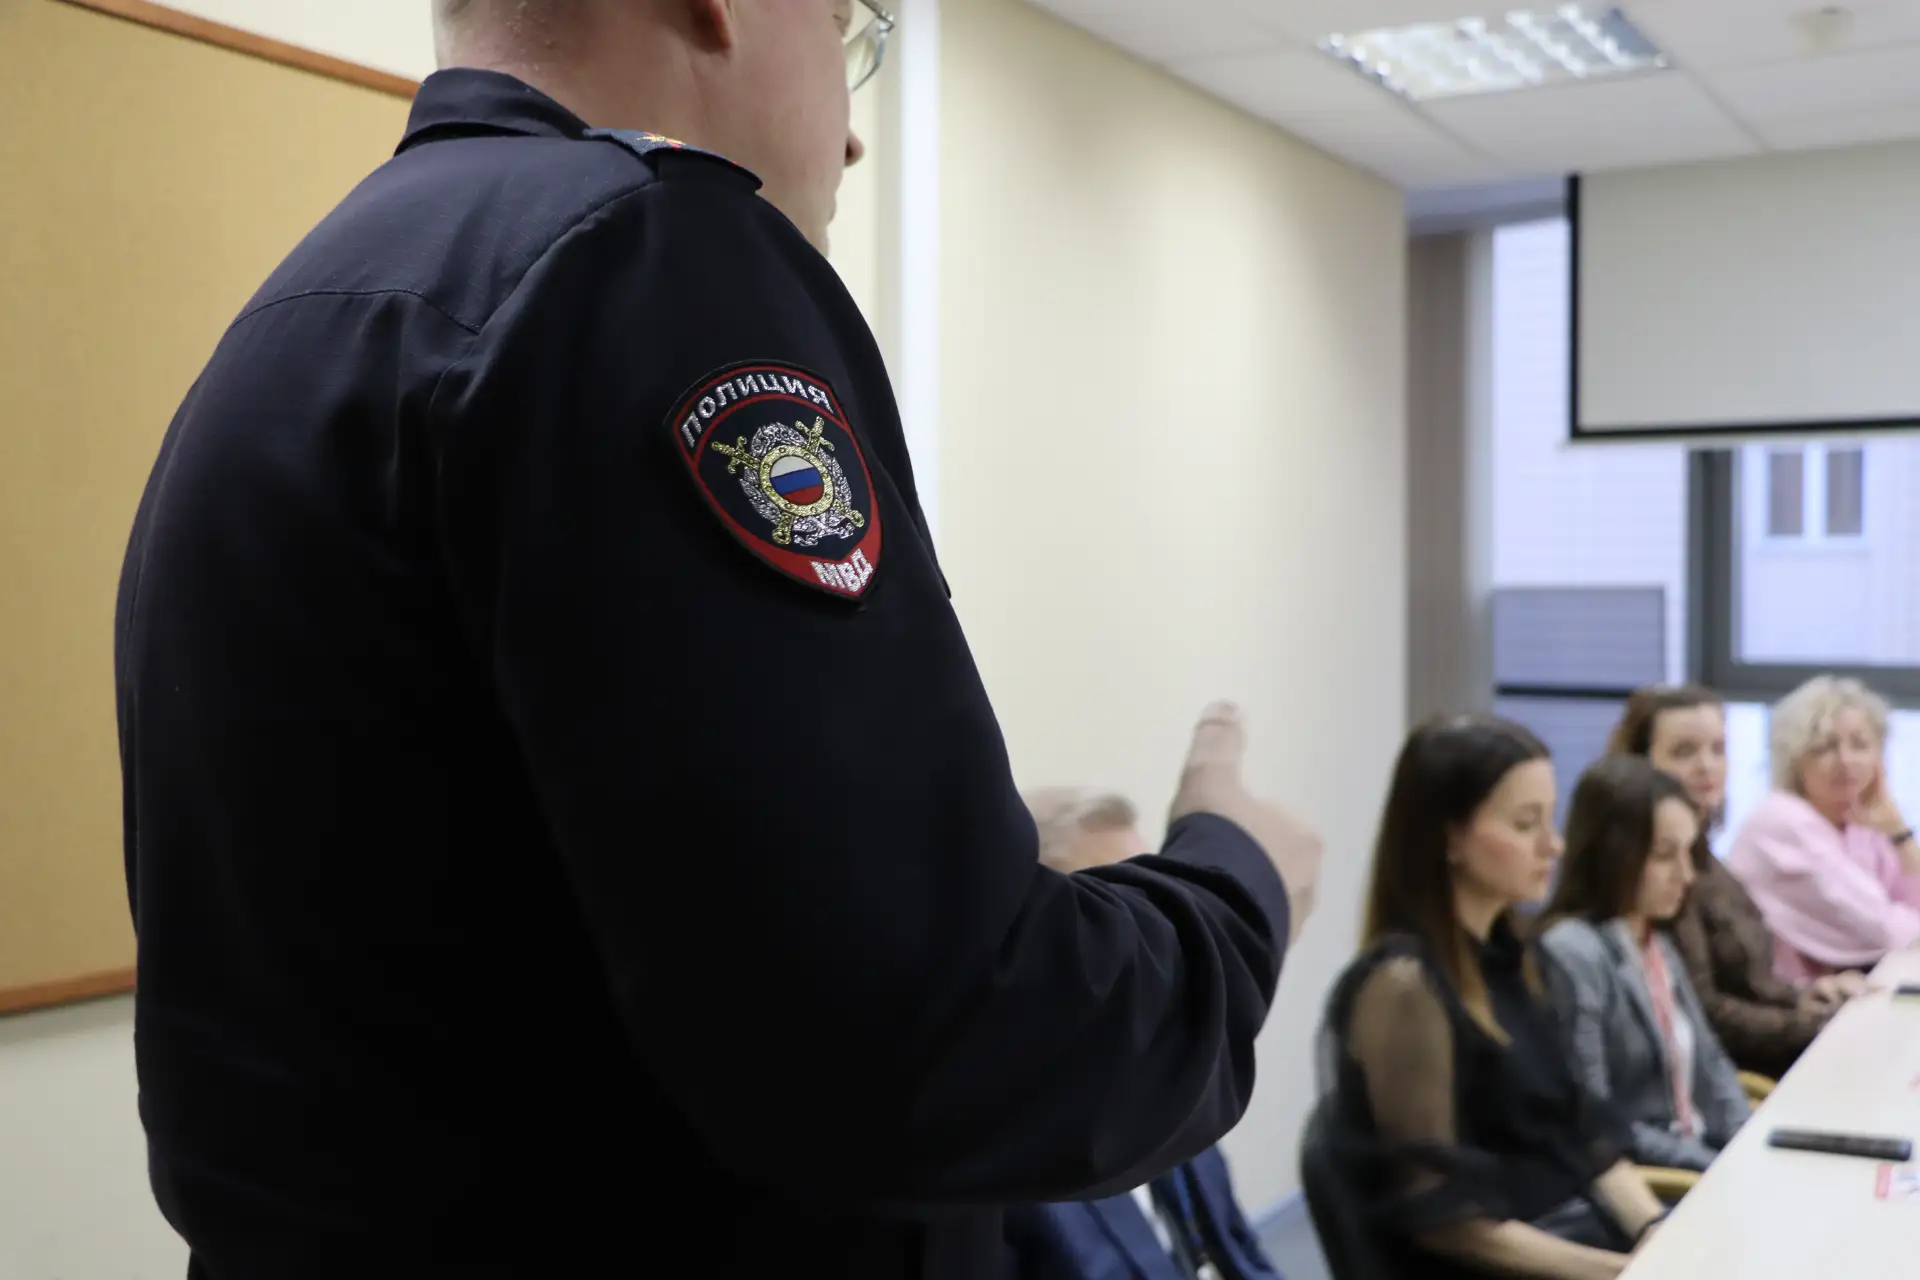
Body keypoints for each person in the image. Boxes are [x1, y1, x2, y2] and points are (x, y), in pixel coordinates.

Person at [112, 3, 1326, 1277]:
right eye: (843, 26)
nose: (853, 138)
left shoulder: (293, 325)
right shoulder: (646, 263)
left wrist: (913, 857)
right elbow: (939, 1046)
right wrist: (1234, 881)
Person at [1316, 717, 1665, 1280]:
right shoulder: (1404, 988)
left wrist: (1654, 1229)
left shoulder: (1519, 959)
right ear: (1450, 838)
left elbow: (1583, 1137)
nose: (1553, 845)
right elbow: (1449, 1222)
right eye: (1526, 823)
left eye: (1550, 819)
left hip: (1574, 1239)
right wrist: (1619, 1271)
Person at [1004, 789, 1284, 1280]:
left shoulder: (1176, 1079)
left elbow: (1241, 1253)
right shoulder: (1007, 1173)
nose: (1154, 950)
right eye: (1118, 920)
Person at [1608, 685, 1859, 1078]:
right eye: (1684, 751)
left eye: (1718, 749)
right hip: (1736, 1073)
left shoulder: (1709, 860)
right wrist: (1812, 1024)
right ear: (1640, 765)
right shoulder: (1653, 877)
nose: (1707, 766)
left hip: (1770, 1052)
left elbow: (1752, 984)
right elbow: (1704, 1012)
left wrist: (1808, 997)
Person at [1537, 757, 1751, 1173]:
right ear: (1612, 853)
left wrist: (1750, 1143)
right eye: (1664, 855)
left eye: (1688, 852)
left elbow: (1712, 1065)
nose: (1686, 874)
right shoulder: (1572, 952)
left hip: (1698, 1160)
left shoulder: (1657, 942)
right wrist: (1715, 1166)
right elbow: (1596, 1118)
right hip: (1656, 1179)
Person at [1726, 676, 1920, 984]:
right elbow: (1878, 928)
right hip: (1785, 1002)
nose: (1846, 760)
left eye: (1860, 745)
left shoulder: (1862, 824)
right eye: (1825, 748)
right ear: (1794, 759)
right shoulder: (1781, 821)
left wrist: (1900, 834)